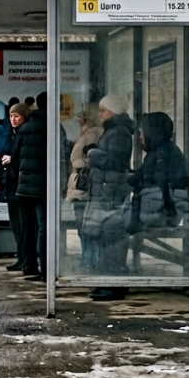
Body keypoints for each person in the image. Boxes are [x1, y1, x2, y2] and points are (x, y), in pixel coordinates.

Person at [80, 95, 135, 301]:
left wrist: (93, 153)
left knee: (111, 236)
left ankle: (115, 281)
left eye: (104, 110)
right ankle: (110, 281)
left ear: (114, 111)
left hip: (111, 192)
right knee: (104, 236)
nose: (100, 113)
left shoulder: (118, 132)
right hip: (107, 189)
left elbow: (115, 160)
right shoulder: (113, 131)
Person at [128, 112, 189, 235]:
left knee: (111, 221)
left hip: (158, 213)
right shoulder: (169, 150)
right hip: (168, 210)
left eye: (143, 132)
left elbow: (151, 180)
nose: (140, 137)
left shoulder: (160, 155)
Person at [12, 93, 50, 280]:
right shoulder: (52, 127)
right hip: (43, 186)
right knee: (44, 226)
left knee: (28, 226)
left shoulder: (25, 129)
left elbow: (16, 156)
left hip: (24, 186)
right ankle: (46, 269)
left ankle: (30, 265)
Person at [67, 103, 105, 269]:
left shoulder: (93, 133)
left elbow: (90, 157)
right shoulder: (90, 132)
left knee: (85, 224)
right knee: (83, 224)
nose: (79, 119)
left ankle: (89, 258)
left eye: (83, 116)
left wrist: (80, 163)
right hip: (80, 182)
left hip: (84, 182)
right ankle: (88, 257)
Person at [0, 102, 30, 271]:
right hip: (10, 184)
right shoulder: (10, 134)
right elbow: (2, 153)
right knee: (15, 225)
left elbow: (25, 159)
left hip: (20, 185)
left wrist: (11, 161)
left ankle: (25, 257)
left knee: (23, 225)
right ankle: (20, 256)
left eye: (16, 116)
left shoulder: (25, 133)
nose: (13, 119)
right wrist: (1, 166)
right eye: (11, 116)